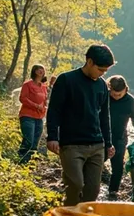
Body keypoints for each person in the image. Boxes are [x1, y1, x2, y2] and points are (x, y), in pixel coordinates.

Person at [46, 44, 115, 206]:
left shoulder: (102, 85)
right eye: (100, 69)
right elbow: (54, 110)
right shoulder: (66, 80)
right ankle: (68, 213)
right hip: (71, 144)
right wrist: (52, 137)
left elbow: (105, 117)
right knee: (75, 184)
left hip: (96, 145)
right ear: (89, 62)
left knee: (93, 190)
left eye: (105, 71)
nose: (103, 73)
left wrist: (109, 143)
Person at [107, 75, 134, 200]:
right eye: (114, 94)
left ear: (126, 90)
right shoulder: (104, 97)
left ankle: (113, 191)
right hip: (101, 136)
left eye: (119, 95)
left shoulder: (130, 101)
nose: (116, 97)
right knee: (94, 164)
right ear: (109, 89)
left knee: (118, 166)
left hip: (120, 137)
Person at [18, 64, 48, 163]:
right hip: (27, 116)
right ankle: (21, 159)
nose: (41, 71)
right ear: (34, 71)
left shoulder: (44, 87)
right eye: (39, 69)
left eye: (43, 70)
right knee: (28, 140)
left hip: (39, 117)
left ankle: (28, 163)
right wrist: (35, 105)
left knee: (35, 142)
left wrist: (44, 108)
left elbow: (44, 101)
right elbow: (22, 98)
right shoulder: (27, 84)